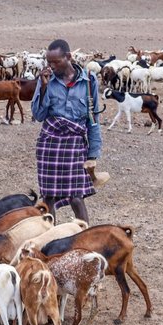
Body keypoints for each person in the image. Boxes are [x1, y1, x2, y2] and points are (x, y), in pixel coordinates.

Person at [31, 39, 109, 223]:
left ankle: (85, 237)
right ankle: (49, 238)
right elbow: (39, 115)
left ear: (68, 57)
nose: (52, 66)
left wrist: (93, 154)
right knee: (48, 196)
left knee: (76, 196)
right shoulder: (46, 80)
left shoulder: (88, 81)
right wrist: (43, 86)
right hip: (50, 144)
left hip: (75, 145)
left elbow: (93, 119)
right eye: (49, 62)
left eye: (56, 61)